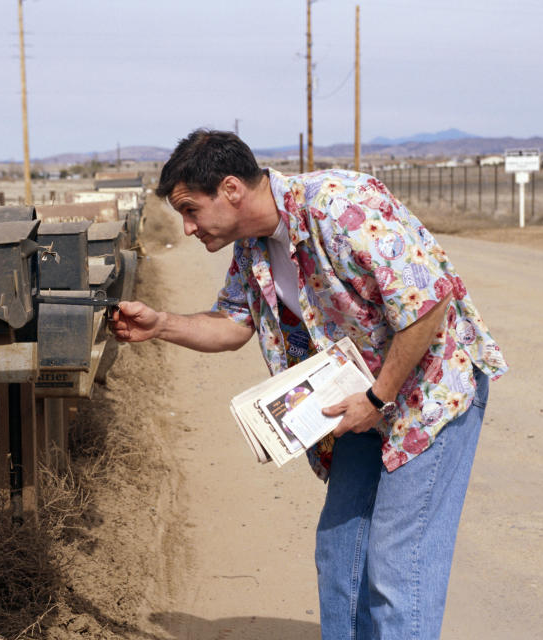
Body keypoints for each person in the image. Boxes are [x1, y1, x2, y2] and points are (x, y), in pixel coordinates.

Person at [112, 129, 507, 639]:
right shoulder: (252, 248)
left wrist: (377, 398)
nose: (186, 228)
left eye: (191, 210)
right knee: (340, 552)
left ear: (231, 189)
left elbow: (428, 304)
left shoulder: (341, 206)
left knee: (396, 562)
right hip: (359, 401)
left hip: (427, 395)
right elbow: (234, 324)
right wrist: (161, 324)